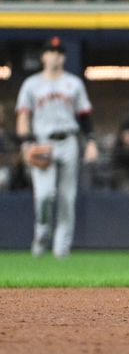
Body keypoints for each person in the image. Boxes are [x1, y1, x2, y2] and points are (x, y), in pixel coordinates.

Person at [15, 36, 99, 258]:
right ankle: (41, 237)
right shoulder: (31, 84)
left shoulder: (74, 83)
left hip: (69, 141)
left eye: (59, 52)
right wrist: (25, 143)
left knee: (66, 198)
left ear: (64, 57)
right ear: (43, 56)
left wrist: (90, 141)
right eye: (51, 52)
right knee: (44, 196)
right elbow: (23, 116)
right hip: (42, 142)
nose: (55, 55)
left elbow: (84, 116)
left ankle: (61, 251)